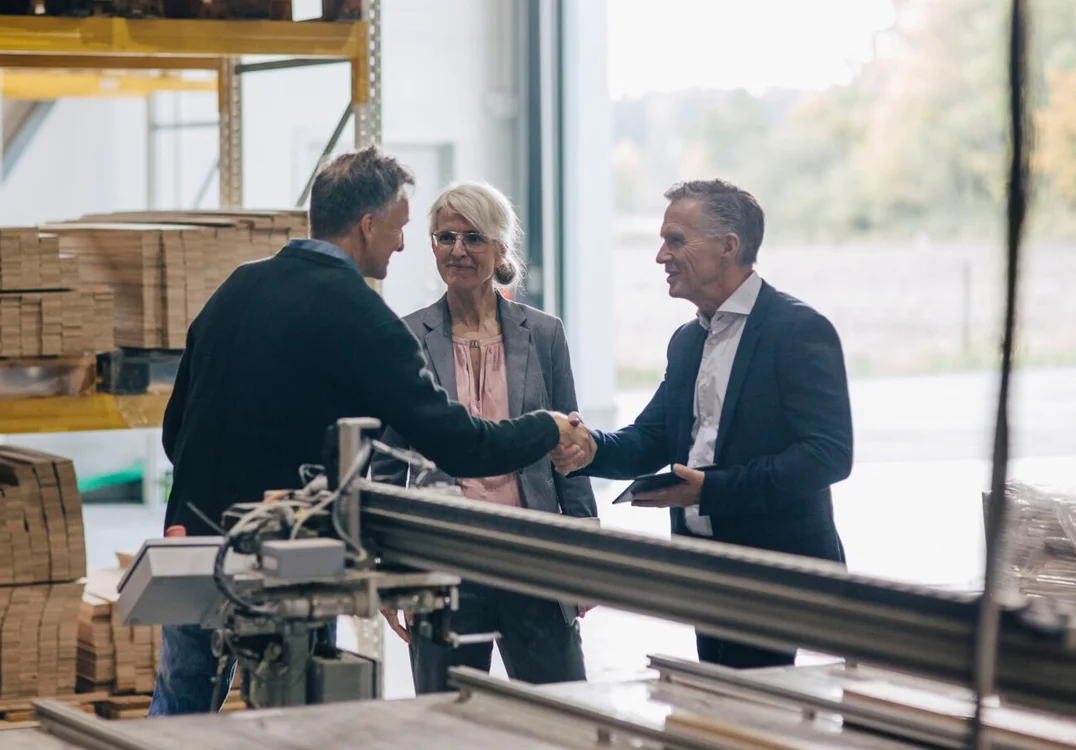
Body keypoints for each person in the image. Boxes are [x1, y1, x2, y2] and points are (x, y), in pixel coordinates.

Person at [152, 146, 585, 716]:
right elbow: (456, 441)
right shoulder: (361, 314)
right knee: (301, 713)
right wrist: (546, 428)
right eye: (404, 228)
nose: (404, 245)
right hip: (288, 559)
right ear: (367, 224)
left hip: (196, 542)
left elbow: (174, 429)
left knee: (179, 709)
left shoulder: (238, 287)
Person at [552, 178, 853, 670]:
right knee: (721, 715)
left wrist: (709, 490)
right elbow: (653, 438)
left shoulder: (798, 330)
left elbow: (828, 455)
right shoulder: (687, 341)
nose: (660, 257)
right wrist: (591, 449)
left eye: (675, 240)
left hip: (775, 574)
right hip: (704, 569)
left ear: (728, 247)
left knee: (757, 723)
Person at [371, 181, 597, 694]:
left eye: (473, 237)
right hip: (444, 557)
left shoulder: (544, 334)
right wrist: (388, 564)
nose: (457, 250)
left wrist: (586, 553)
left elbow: (572, 451)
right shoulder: (406, 337)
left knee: (557, 711)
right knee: (447, 719)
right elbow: (387, 464)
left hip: (533, 553)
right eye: (445, 237)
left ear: (500, 249)